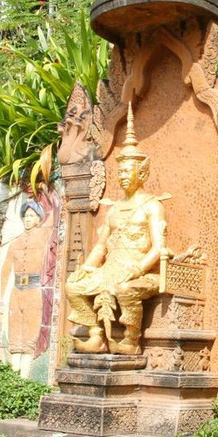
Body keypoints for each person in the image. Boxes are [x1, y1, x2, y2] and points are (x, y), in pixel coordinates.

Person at [65, 104, 168, 355]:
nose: (122, 175)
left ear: (141, 172)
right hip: (111, 269)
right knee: (73, 286)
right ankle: (96, 335)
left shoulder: (151, 206)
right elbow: (100, 246)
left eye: (127, 170)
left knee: (124, 289)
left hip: (141, 272)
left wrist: (137, 269)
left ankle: (132, 341)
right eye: (119, 170)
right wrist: (88, 267)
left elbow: (159, 247)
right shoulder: (113, 209)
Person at [0, 190, 58, 377]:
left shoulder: (42, 239)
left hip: (33, 290)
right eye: (25, 216)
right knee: (15, 333)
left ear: (38, 219)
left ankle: (25, 376)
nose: (28, 219)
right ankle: (13, 376)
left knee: (31, 333)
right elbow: (6, 270)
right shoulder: (15, 242)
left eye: (32, 216)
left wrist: (46, 190)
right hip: (17, 290)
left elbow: (53, 217)